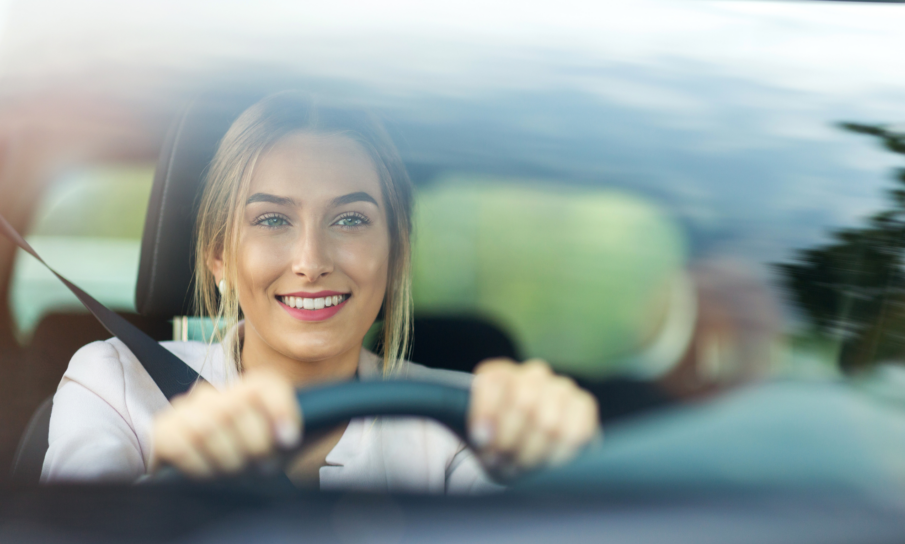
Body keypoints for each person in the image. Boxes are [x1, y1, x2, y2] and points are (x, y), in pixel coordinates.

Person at [40, 92, 600, 492]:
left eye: (351, 220)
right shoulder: (116, 384)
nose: (311, 262)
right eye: (272, 220)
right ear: (218, 256)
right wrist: (174, 493)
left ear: (396, 255)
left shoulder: (464, 420)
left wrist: (556, 472)